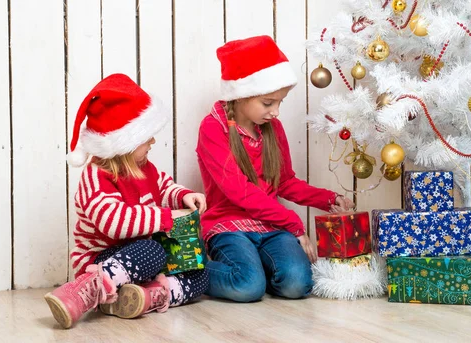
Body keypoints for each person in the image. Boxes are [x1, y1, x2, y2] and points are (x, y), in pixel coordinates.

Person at [196, 35, 354, 303]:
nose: (276, 112)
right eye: (268, 103)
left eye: (280, 102)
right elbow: (240, 192)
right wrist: (294, 225)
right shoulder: (213, 129)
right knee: (247, 287)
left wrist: (327, 199)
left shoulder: (272, 129)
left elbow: (285, 182)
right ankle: (187, 273)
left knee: (297, 285)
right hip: (228, 226)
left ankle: (258, 268)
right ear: (241, 95)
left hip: (270, 226)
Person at [44, 73, 209, 329]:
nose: (153, 141)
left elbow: (162, 186)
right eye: (146, 137)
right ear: (124, 142)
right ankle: (87, 289)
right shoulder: (96, 176)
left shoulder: (142, 165)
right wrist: (166, 218)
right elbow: (114, 222)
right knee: (153, 252)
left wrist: (181, 195)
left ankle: (147, 295)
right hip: (101, 259)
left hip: (138, 257)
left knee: (200, 273)